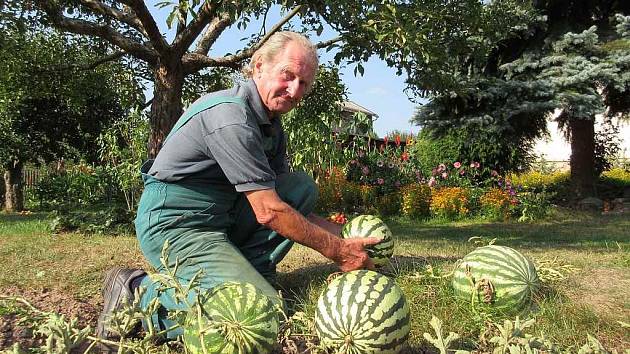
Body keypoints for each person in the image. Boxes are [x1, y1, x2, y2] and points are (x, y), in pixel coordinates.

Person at [96, 31, 380, 341]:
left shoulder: (270, 126)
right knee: (261, 316)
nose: (294, 90)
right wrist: (338, 251)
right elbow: (270, 212)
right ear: (259, 66)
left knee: (300, 188)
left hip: (223, 218)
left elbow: (282, 203)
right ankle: (137, 293)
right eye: (288, 75)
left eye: (304, 84)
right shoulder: (231, 116)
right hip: (176, 225)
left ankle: (251, 275)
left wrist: (348, 236)